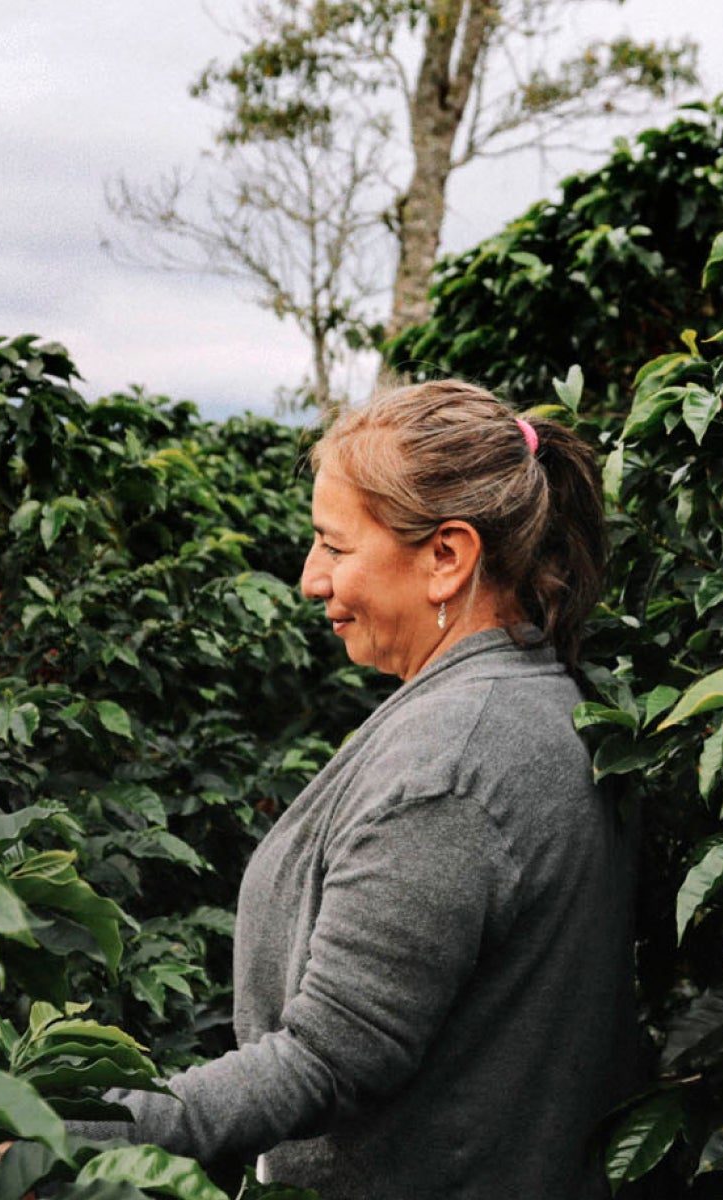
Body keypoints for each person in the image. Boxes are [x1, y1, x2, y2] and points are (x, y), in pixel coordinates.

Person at [71, 380, 635, 1198]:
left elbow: (324, 1062)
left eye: (335, 547)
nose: (309, 578)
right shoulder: (546, 698)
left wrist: (60, 1127)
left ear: (447, 556)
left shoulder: (449, 770)